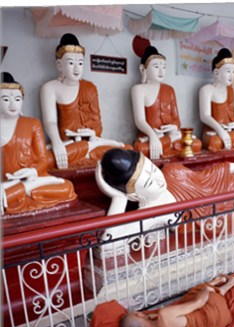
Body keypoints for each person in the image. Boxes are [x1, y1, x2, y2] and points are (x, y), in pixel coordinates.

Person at [95, 148, 234, 246]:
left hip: (227, 186)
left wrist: (229, 166)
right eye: (148, 183)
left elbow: (203, 177)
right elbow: (110, 243)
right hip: (220, 216)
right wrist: (118, 198)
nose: (157, 179)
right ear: (135, 195)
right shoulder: (152, 212)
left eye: (153, 170)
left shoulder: (170, 170)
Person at [40, 33, 129, 169]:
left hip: (92, 143)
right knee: (44, 161)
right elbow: (50, 122)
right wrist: (56, 142)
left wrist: (93, 133)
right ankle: (87, 151)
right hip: (68, 145)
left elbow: (97, 124)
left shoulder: (90, 88)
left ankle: (89, 150)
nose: (76, 68)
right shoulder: (50, 88)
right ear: (59, 65)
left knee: (127, 151)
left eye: (80, 63)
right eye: (71, 63)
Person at [1, 72, 76, 215]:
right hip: (5, 183)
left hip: (34, 178)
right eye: (5, 99)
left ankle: (23, 189)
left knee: (66, 187)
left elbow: (42, 160)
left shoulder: (32, 124)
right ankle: (21, 190)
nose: (12, 105)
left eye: (17, 99)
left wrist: (33, 171)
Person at [131, 45, 202, 159]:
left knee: (196, 144)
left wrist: (174, 128)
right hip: (150, 137)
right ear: (143, 69)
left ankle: (169, 141)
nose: (161, 71)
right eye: (156, 66)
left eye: (164, 67)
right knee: (142, 149)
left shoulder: (169, 90)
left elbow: (176, 120)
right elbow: (140, 120)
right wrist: (153, 136)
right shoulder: (138, 89)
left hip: (170, 135)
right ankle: (169, 141)